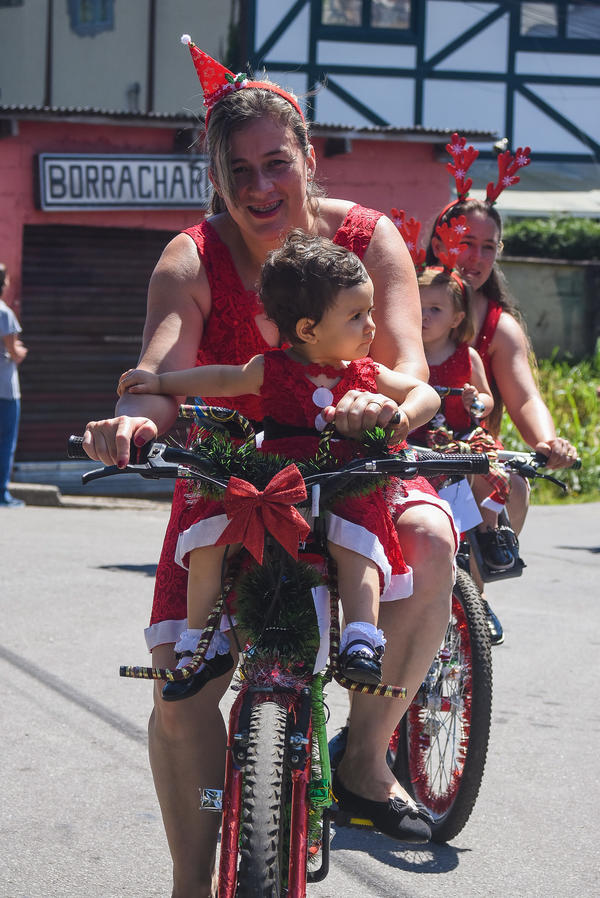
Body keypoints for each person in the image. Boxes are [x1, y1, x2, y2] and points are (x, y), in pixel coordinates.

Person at [83, 38, 457, 895]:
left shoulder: (370, 241)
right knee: (181, 695)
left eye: (276, 164)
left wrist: (384, 412)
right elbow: (159, 379)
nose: (259, 188)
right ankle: (190, 879)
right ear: (215, 175)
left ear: (309, 159)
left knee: (430, 538)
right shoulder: (192, 257)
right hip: (233, 475)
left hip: (353, 461)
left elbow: (409, 373)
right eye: (238, 170)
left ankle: (364, 760)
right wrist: (129, 426)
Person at [119, 230, 441, 696]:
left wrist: (403, 416)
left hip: (343, 478)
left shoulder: (367, 373)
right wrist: (159, 381)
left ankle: (360, 640)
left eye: (370, 312)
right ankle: (199, 645)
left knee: (358, 537)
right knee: (209, 532)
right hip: (279, 481)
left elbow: (424, 392)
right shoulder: (270, 368)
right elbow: (219, 377)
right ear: (308, 329)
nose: (372, 327)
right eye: (357, 316)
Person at [425, 136, 578, 642]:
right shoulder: (404, 303)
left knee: (512, 485)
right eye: (465, 242)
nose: (475, 256)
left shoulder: (498, 326)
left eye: (488, 247)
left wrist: (548, 442)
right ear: (439, 240)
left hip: (467, 459)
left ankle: (473, 596)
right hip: (404, 451)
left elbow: (524, 396)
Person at [413, 266, 515, 571]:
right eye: (417, 308)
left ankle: (488, 532)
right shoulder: (406, 355)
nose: (424, 316)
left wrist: (476, 402)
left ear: (457, 318)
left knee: (485, 464)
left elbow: (487, 397)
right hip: (420, 439)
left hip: (461, 435)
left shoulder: (466, 357)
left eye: (435, 309)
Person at [0, 263, 28, 508]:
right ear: (4, 283)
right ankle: (2, 494)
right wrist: (20, 351)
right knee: (5, 442)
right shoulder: (4, 313)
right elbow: (12, 351)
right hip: (5, 390)